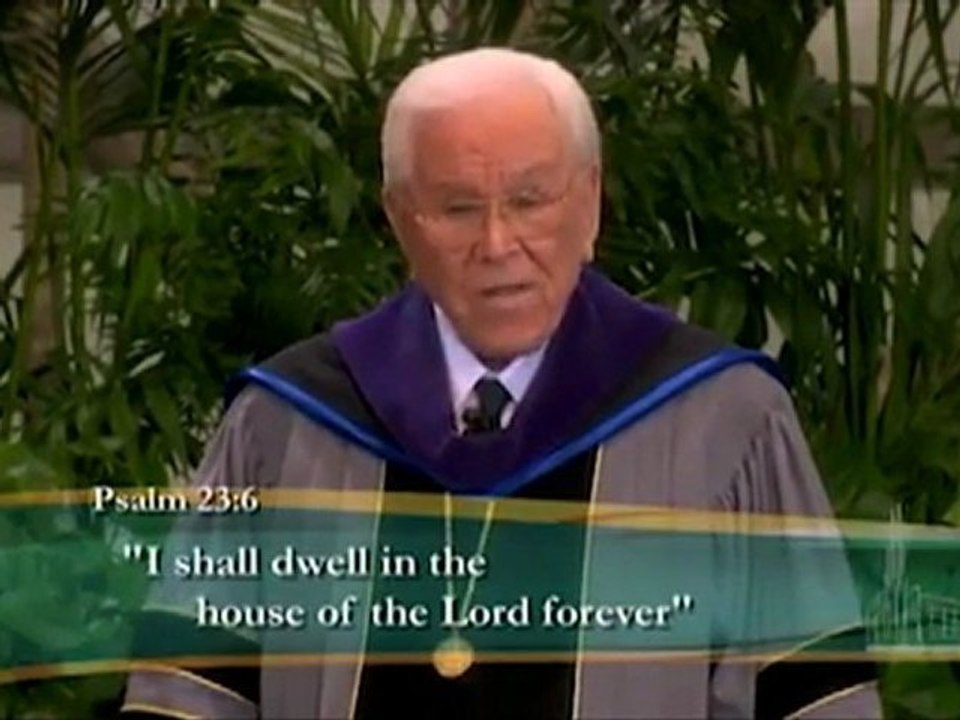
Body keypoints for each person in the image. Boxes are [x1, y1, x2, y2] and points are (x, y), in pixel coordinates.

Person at [120, 47, 883, 719]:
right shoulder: (287, 423)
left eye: (529, 200)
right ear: (400, 220)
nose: (497, 244)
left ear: (590, 203)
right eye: (457, 208)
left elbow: (812, 697)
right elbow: (188, 694)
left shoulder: (724, 420)